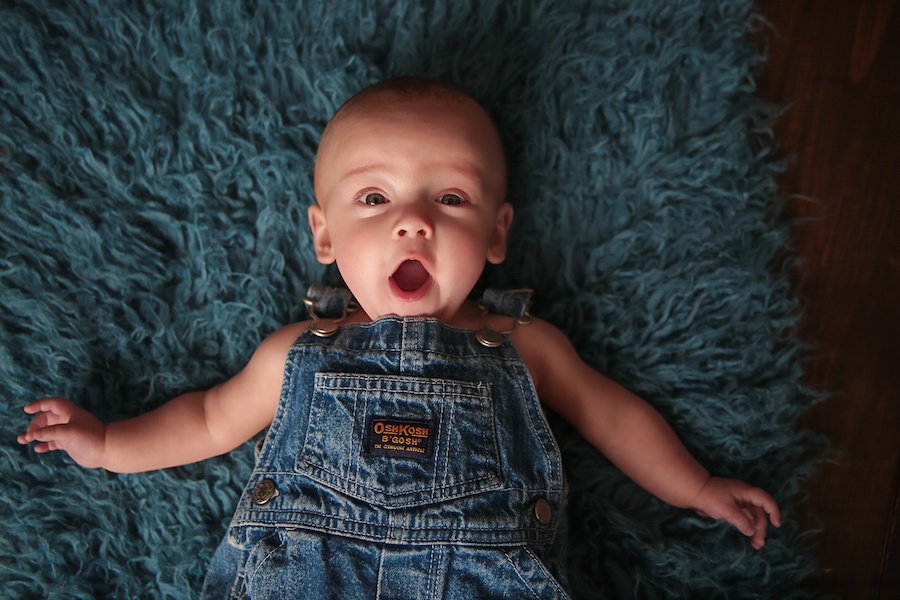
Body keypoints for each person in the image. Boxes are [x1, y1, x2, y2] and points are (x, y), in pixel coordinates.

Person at [18, 78, 780, 598]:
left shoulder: (521, 343)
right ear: (323, 234)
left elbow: (612, 416)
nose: (414, 221)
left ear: (495, 235)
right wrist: (111, 442)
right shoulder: (300, 350)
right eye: (375, 197)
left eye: (451, 197)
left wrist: (698, 488)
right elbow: (209, 420)